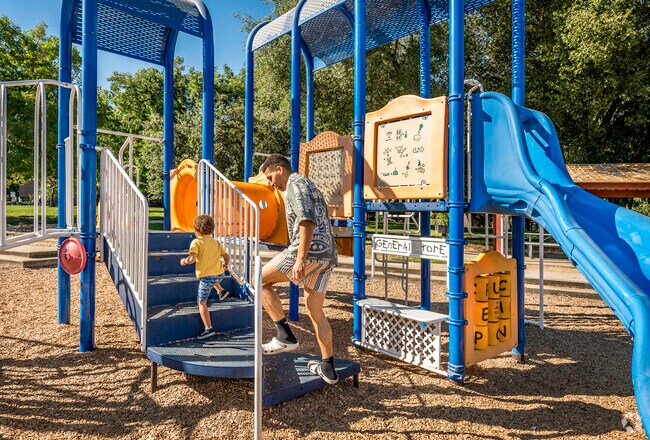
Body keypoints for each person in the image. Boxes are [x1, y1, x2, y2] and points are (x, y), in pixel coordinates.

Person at [259, 153, 339, 384]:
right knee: (315, 309)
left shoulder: (296, 184)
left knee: (259, 280)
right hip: (327, 255)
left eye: (270, 176)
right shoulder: (308, 184)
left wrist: (301, 259)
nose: (270, 182)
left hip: (309, 250)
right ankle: (328, 366)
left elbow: (306, 221)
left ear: (280, 169)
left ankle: (285, 335)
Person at [180, 214, 231, 339]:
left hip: (207, 277)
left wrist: (184, 261)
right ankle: (221, 290)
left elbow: (192, 259)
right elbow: (226, 257)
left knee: (201, 302)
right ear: (212, 230)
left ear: (196, 230)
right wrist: (226, 264)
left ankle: (209, 328)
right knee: (213, 278)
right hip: (220, 275)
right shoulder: (216, 243)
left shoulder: (196, 242)